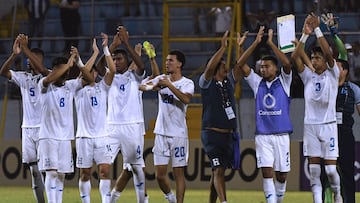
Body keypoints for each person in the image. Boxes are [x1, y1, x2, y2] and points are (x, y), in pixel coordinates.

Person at [237, 26, 293, 203]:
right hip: (263, 135)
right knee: (267, 171)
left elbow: (288, 64)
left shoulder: (284, 82)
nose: (263, 69)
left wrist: (270, 43)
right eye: (261, 67)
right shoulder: (257, 83)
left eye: (267, 66)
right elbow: (241, 65)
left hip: (282, 135)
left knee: (282, 174)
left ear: (275, 69)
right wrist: (248, 45)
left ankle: (279, 199)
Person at [291, 13, 343, 203]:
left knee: (330, 170)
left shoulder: (332, 73)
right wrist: (305, 35)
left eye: (317, 58)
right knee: (314, 170)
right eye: (312, 57)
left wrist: (318, 29)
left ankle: (337, 193)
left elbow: (329, 54)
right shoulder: (308, 77)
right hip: (310, 126)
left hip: (328, 125)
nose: (313, 60)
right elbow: (295, 56)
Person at [95, 26, 146, 203]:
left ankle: (142, 200)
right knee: (104, 168)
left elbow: (141, 65)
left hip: (132, 126)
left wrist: (126, 43)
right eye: (114, 59)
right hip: (111, 128)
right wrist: (110, 47)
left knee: (137, 168)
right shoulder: (110, 77)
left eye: (119, 58)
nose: (115, 61)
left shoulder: (135, 76)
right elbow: (98, 66)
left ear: (127, 60)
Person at [37, 48, 92, 203]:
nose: (66, 74)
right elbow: (48, 79)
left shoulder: (70, 86)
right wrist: (68, 63)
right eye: (62, 71)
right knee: (51, 173)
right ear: (54, 71)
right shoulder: (44, 84)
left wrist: (78, 61)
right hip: (48, 137)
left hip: (65, 138)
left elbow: (88, 78)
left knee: (61, 174)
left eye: (67, 71)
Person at [0, 34, 49, 203]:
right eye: (28, 59)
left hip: (44, 130)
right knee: (34, 171)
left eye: (33, 59)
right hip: (27, 129)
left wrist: (26, 49)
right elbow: (3, 72)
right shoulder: (24, 78)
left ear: (39, 60)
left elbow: (42, 70)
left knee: (45, 170)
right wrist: (14, 54)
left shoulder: (47, 76)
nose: (29, 61)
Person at [198, 30, 244, 203]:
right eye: (223, 65)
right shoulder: (206, 82)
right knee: (218, 170)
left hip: (228, 135)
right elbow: (210, 68)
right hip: (211, 134)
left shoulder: (228, 82)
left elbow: (239, 68)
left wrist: (239, 48)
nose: (226, 67)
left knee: (218, 171)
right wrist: (222, 48)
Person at [320, 13, 360, 203]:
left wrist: (334, 32)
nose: (334, 68)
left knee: (346, 173)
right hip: (327, 132)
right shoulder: (326, 85)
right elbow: (332, 54)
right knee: (324, 173)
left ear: (344, 70)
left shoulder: (354, 90)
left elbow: (342, 53)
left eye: (338, 66)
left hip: (345, 134)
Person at [146, 50, 194, 203]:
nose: (167, 63)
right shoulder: (162, 79)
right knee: (159, 175)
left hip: (178, 134)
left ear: (179, 64)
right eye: (166, 60)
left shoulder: (187, 83)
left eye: (171, 60)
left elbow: (185, 99)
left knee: (178, 173)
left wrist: (169, 85)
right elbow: (146, 86)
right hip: (161, 132)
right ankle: (171, 198)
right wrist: (150, 82)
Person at [75, 34, 116, 203]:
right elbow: (83, 72)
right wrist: (94, 54)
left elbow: (112, 70)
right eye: (88, 71)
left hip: (102, 136)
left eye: (92, 70)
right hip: (84, 137)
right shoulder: (77, 89)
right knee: (84, 173)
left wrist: (105, 49)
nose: (91, 72)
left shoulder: (102, 88)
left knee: (105, 171)